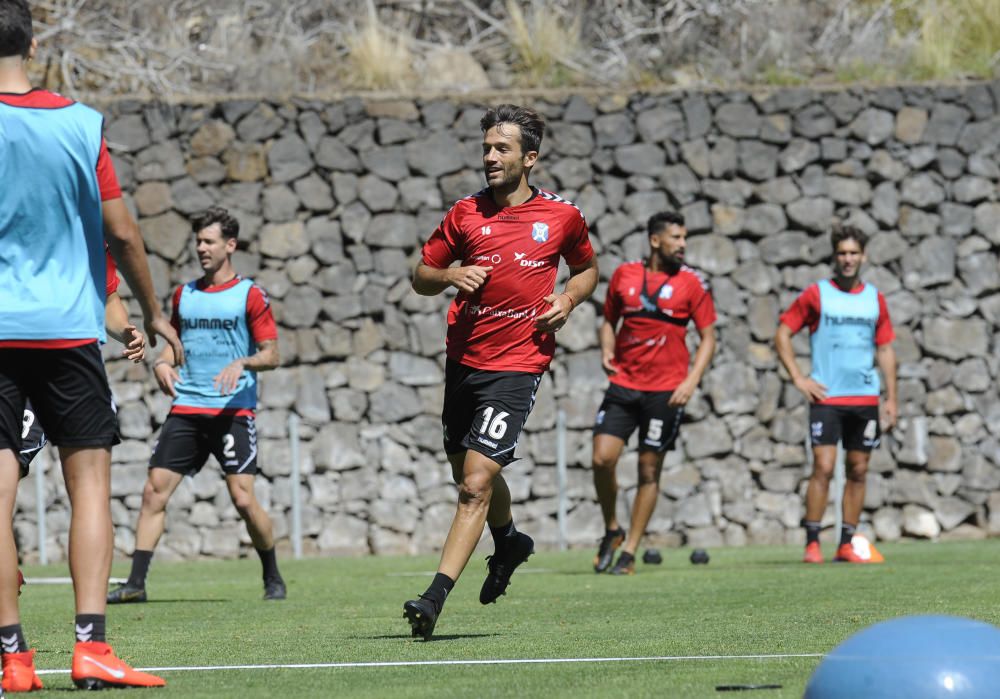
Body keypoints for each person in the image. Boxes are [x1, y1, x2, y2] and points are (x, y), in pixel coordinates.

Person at [1, 0, 182, 690]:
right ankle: (90, 645)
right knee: (91, 485)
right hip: (67, 330)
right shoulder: (79, 123)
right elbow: (125, 234)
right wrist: (150, 310)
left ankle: (13, 656)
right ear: (36, 42)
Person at [405, 104, 599, 640]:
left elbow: (587, 270)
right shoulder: (465, 213)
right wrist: (449, 274)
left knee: (474, 484)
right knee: (468, 472)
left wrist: (569, 298)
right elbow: (419, 274)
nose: (490, 157)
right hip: (464, 362)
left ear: (529, 158)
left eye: (502, 149)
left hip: (518, 364)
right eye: (487, 148)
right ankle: (509, 540)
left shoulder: (562, 216)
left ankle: (433, 598)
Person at [107, 206, 286, 605]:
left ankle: (272, 574)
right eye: (198, 241)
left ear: (230, 245)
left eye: (209, 241)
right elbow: (174, 349)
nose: (201, 248)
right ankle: (136, 583)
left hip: (233, 409)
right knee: (154, 491)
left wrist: (242, 361)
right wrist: (162, 363)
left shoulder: (250, 294)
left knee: (242, 497)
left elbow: (272, 354)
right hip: (188, 406)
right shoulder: (183, 296)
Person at [591, 211, 717, 575]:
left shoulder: (693, 284)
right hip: (624, 385)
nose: (683, 244)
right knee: (602, 459)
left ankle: (630, 550)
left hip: (665, 392)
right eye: (676, 237)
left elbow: (708, 337)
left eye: (684, 237)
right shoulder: (624, 275)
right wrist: (605, 350)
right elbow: (608, 321)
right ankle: (612, 528)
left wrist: (691, 380)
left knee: (649, 469)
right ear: (655, 240)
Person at [16, 250, 146, 593]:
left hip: (74, 368)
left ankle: (91, 629)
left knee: (90, 493)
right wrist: (156, 312)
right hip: (15, 367)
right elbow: (127, 233)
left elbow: (109, 297)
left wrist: (128, 331)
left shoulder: (89, 232)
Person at [774, 225, 897, 564]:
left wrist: (891, 398)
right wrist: (799, 378)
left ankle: (846, 542)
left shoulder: (875, 299)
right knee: (823, 467)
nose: (847, 259)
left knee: (858, 469)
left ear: (863, 256)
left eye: (853, 253)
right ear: (834, 256)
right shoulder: (817, 294)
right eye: (842, 253)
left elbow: (885, 349)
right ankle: (812, 542)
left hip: (865, 399)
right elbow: (783, 333)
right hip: (827, 398)